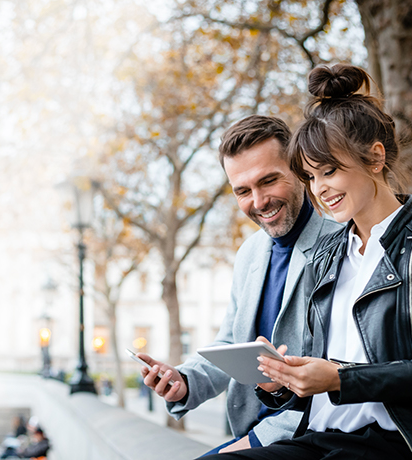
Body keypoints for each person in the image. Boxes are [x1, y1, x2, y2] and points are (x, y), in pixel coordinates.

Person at [206, 64, 412, 460]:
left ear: (375, 158)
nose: (320, 189)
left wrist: (339, 378)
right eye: (310, 177)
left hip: (401, 442)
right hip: (321, 435)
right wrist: (283, 381)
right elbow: (323, 370)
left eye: (330, 171)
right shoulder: (329, 253)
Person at [136, 115, 342, 455]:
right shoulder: (250, 252)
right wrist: (184, 382)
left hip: (306, 434)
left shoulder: (341, 246)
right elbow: (232, 343)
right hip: (254, 429)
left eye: (268, 181)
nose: (259, 202)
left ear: (300, 172)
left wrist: (253, 441)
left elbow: (340, 373)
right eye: (243, 191)